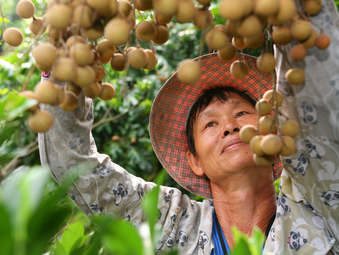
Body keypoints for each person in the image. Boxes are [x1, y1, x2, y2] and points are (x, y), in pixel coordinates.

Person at [38, 0, 339, 254]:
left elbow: (323, 98)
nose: (230, 128)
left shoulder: (319, 208)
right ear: (194, 161)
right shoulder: (172, 225)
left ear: (273, 135)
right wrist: (70, 44)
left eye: (243, 114)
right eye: (211, 122)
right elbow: (75, 168)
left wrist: (288, 12)